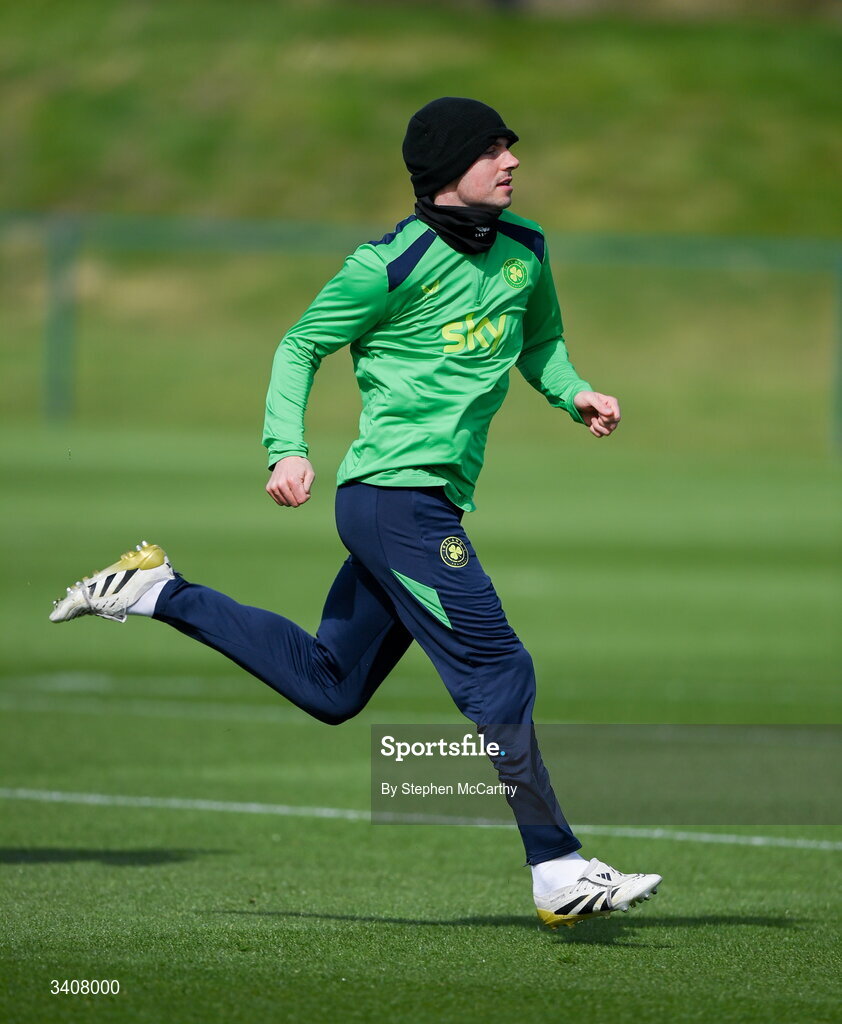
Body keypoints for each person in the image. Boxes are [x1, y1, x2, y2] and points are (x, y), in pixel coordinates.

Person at [49, 97, 661, 929]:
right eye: (493, 150)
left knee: (330, 687)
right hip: (393, 504)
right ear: (449, 170)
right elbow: (300, 345)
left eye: (512, 146)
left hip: (420, 504)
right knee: (499, 667)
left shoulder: (528, 248)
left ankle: (156, 592)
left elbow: (540, 341)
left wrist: (574, 392)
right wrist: (286, 447)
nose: (513, 161)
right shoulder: (385, 265)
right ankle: (556, 866)